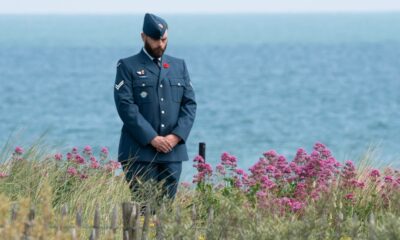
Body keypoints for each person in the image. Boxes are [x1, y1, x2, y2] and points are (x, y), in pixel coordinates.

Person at [114, 13, 196, 199]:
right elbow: (126, 106)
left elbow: (189, 105)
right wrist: (152, 138)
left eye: (164, 39)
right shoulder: (127, 66)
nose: (160, 44)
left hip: (172, 152)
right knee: (145, 208)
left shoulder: (179, 66)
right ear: (143, 37)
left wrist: (175, 137)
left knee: (165, 214)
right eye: (155, 40)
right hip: (139, 153)